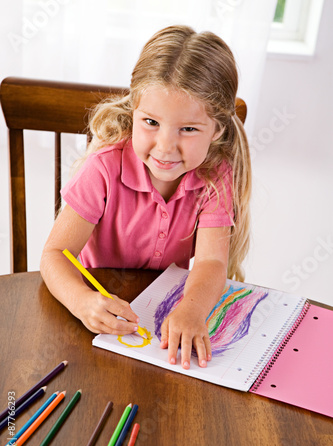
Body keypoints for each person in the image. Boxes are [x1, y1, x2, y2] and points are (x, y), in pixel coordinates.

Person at [40, 25, 251, 370]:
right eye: (151, 122)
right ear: (134, 110)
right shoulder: (104, 168)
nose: (165, 146)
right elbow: (53, 255)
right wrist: (82, 302)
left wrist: (193, 310)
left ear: (217, 130)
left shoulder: (216, 175)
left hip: (159, 332)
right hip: (95, 324)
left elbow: (213, 263)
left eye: (188, 129)